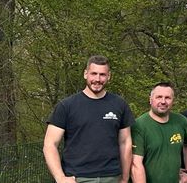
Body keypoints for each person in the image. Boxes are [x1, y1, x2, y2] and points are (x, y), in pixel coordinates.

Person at [43, 55, 134, 183]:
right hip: (77, 178)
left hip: (112, 177)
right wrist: (60, 177)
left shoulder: (120, 105)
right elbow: (50, 144)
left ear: (109, 76)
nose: (97, 79)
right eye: (94, 74)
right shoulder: (66, 106)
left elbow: (125, 142)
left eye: (102, 75)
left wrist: (125, 178)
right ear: (85, 74)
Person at [131, 82, 187, 183]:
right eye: (159, 97)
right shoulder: (139, 126)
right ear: (150, 100)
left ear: (173, 101)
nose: (163, 101)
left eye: (167, 98)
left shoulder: (181, 121)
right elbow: (135, 165)